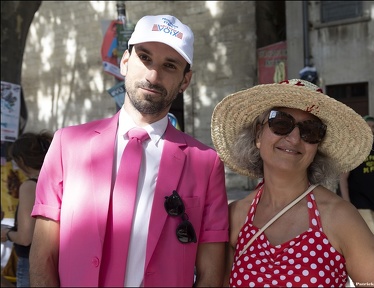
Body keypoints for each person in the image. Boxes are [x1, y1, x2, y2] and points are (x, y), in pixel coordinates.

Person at [29, 14, 229, 287]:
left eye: (170, 65)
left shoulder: (205, 163)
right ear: (125, 62)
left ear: (185, 81)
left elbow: (211, 274)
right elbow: (43, 258)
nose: (153, 75)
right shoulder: (67, 145)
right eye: (144, 58)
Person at [211, 79, 374, 287]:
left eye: (310, 131)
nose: (294, 139)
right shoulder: (236, 217)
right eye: (281, 123)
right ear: (258, 134)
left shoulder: (339, 217)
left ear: (317, 146)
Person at [0, 131, 53, 287]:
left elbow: (25, 238)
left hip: (31, 261)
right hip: (52, 260)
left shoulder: (30, 186)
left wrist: (6, 234)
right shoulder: (56, 180)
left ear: (22, 160)